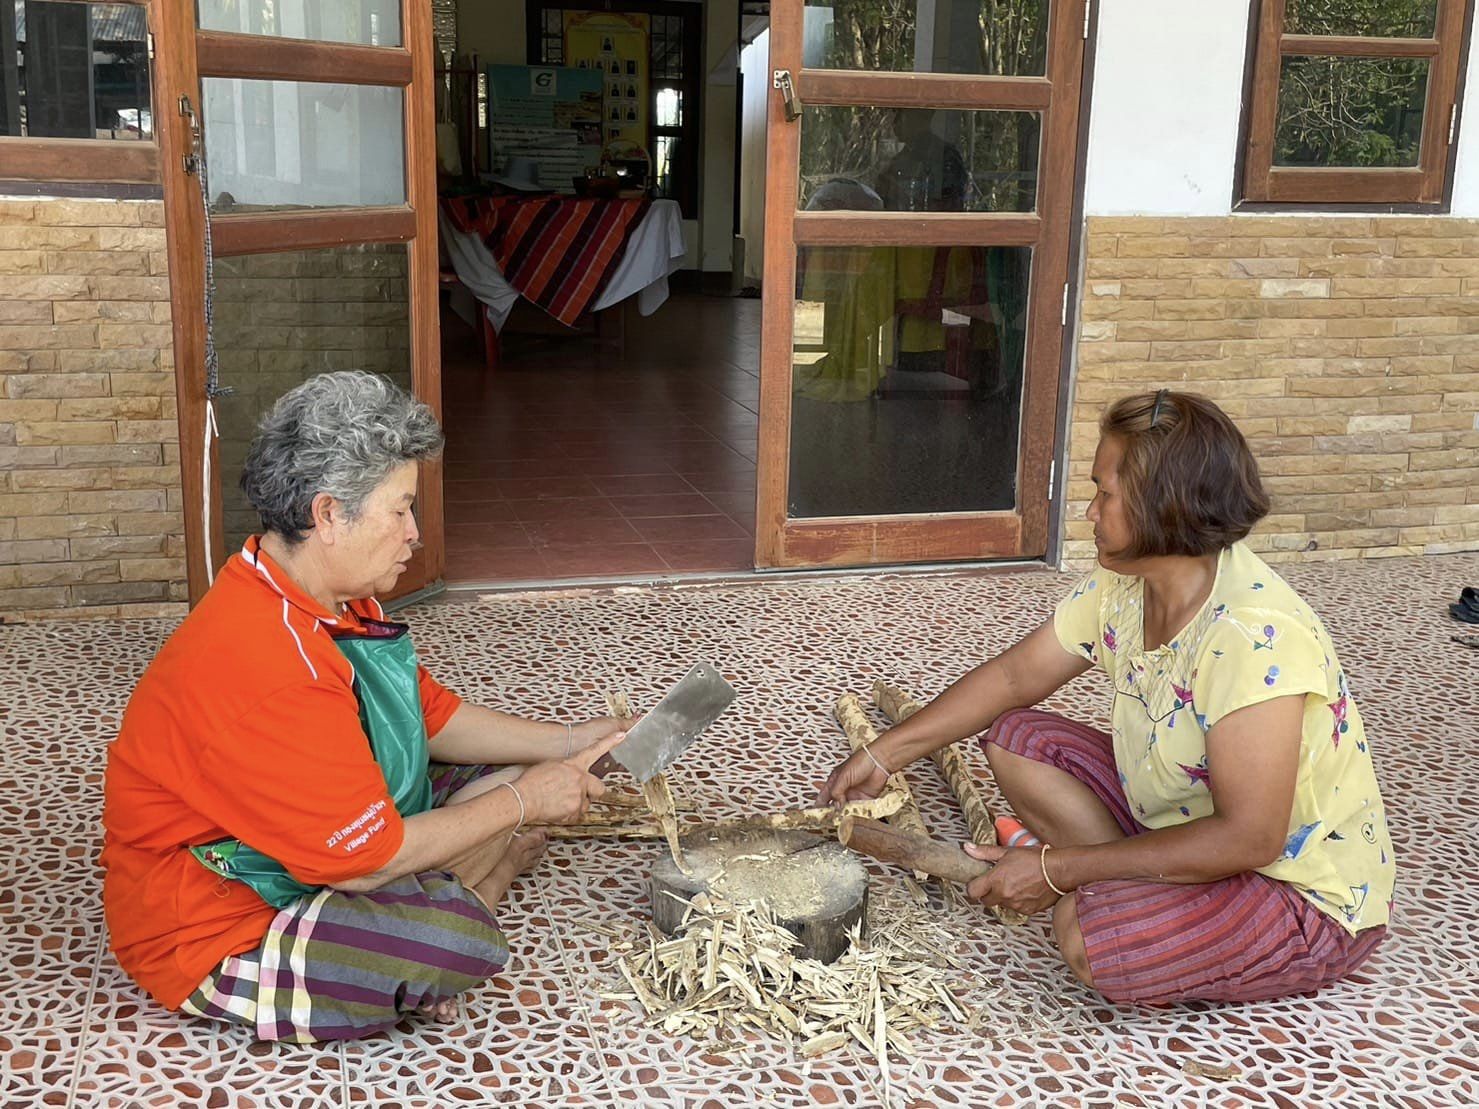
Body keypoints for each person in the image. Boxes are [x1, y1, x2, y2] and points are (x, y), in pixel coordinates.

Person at [818, 391, 1395, 1004]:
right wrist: (884, 755)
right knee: (1015, 738)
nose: (1090, 511)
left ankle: (1130, 895)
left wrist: (1056, 870)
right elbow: (1016, 678)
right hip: (1181, 820)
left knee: (1089, 938)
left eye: (1106, 494)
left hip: (1294, 890)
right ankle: (1139, 884)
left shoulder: (1252, 638)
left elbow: (1250, 839)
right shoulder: (1126, 583)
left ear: (1161, 507)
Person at [102, 371, 628, 1042]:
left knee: (497, 779)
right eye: (400, 509)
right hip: (217, 919)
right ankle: (476, 888)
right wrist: (523, 806)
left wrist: (566, 742)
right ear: (328, 515)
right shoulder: (269, 662)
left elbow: (427, 713)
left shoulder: (326, 593)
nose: (414, 532)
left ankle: (452, 878)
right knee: (452, 939)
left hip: (317, 837)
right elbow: (368, 859)